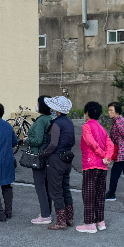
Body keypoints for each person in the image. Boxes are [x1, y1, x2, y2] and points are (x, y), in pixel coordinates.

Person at [77, 101, 114, 233]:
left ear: (87, 114)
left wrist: (102, 154)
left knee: (88, 193)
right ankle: (100, 221)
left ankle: (89, 223)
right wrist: (107, 157)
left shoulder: (87, 126)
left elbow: (90, 142)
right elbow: (111, 145)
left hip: (90, 164)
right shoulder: (102, 128)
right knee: (99, 194)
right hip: (102, 166)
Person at [41, 96, 76, 230]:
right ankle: (69, 218)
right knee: (65, 188)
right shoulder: (69, 122)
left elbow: (53, 143)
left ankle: (60, 221)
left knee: (56, 191)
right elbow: (72, 141)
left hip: (56, 160)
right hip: (67, 158)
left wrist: (44, 154)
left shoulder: (56, 123)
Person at [25, 95, 54, 224]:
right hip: (49, 155)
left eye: (37, 103)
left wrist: (27, 140)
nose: (35, 105)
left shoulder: (41, 120)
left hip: (38, 155)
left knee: (40, 186)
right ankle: (47, 211)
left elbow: (37, 140)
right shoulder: (51, 118)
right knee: (47, 185)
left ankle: (45, 215)